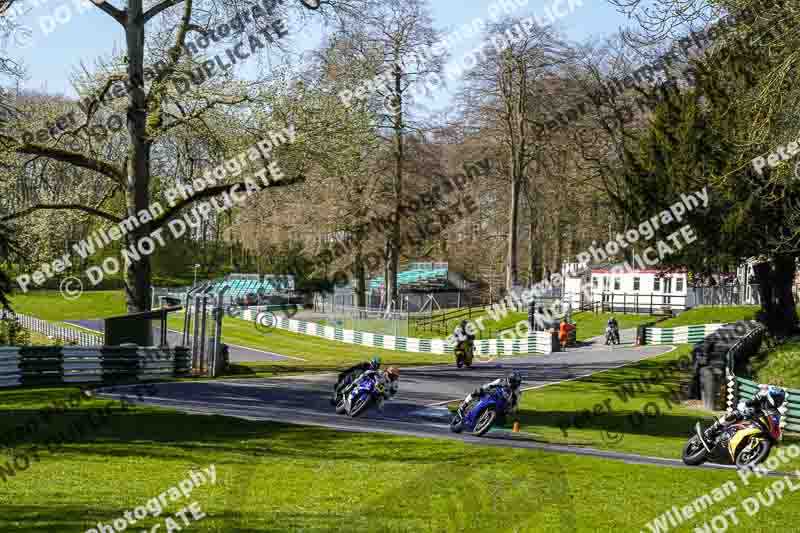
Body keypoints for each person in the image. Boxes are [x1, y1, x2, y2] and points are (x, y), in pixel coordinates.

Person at [703, 385, 786, 443]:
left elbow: (775, 424)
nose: (779, 401)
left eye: (780, 400)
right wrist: (745, 407)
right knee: (735, 414)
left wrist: (777, 434)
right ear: (772, 396)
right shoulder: (762, 396)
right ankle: (712, 429)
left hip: (757, 423)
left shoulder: (776, 412)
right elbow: (748, 402)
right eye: (777, 399)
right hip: (748, 413)